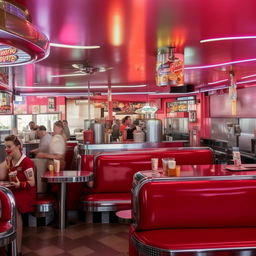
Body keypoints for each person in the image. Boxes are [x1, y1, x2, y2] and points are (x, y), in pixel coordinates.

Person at [0, 135, 36, 255]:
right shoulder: (9, 160)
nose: (7, 149)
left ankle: (17, 249)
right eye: (5, 147)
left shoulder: (26, 162)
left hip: (26, 192)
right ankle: (5, 242)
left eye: (9, 146)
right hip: (14, 191)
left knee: (12, 207)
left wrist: (20, 184)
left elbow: (32, 183)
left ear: (18, 147)